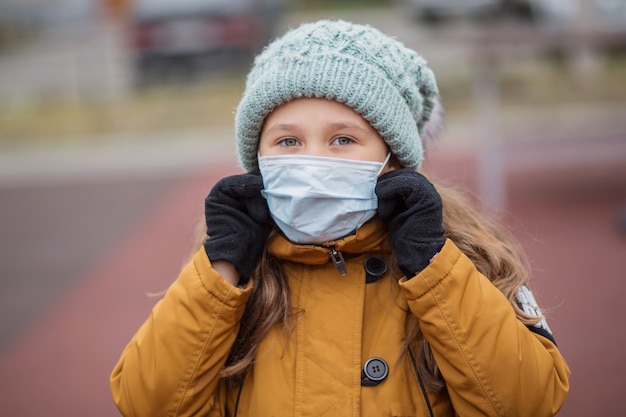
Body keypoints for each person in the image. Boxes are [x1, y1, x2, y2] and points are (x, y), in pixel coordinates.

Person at [110, 19, 570, 417]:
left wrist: (433, 267)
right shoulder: (231, 274)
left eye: (343, 139)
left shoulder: (460, 253)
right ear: (257, 159)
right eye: (288, 142)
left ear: (392, 159)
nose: (313, 161)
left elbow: (528, 401)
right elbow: (145, 402)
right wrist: (223, 269)